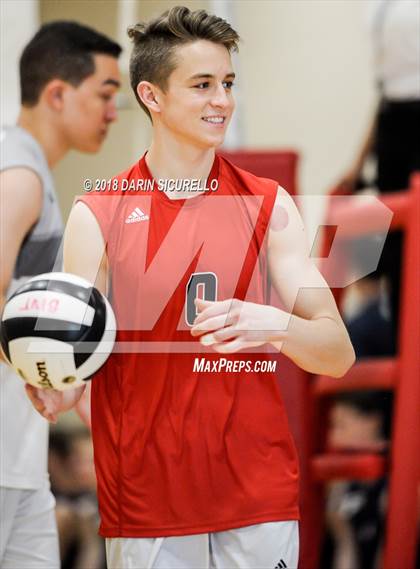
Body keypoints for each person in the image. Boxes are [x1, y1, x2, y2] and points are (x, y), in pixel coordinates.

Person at [26, 6, 355, 569]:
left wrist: (272, 324)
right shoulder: (98, 214)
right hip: (148, 497)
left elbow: (337, 354)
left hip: (257, 492)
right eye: (202, 85)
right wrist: (60, 386)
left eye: (227, 83)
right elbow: (80, 372)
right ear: (151, 96)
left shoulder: (268, 204)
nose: (222, 100)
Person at [0, 21, 121, 568]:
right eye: (105, 94)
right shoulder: (17, 174)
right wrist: (41, 369)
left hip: (21, 462)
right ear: (56, 93)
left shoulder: (32, 173)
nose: (113, 113)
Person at [338, 0, 420, 351]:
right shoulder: (375, 5)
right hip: (392, 124)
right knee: (398, 256)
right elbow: (385, 89)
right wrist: (357, 164)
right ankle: (405, 360)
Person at [322, 390, 393, 569]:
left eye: (340, 425)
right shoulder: (339, 481)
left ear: (372, 421)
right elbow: (345, 547)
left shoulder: (402, 473)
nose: (333, 436)